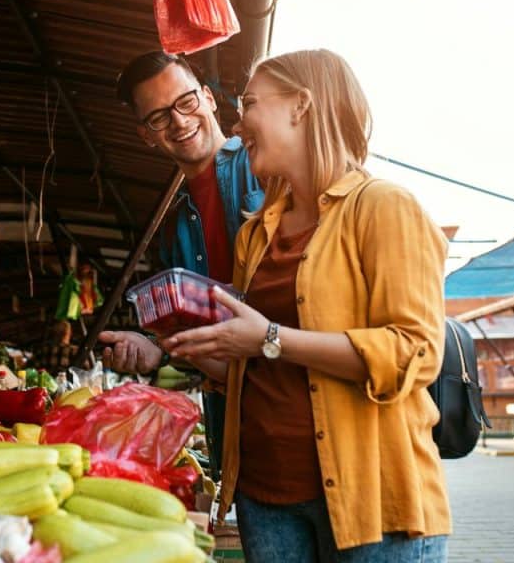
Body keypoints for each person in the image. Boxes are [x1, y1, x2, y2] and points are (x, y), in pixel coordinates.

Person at [162, 49, 450, 562]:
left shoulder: (383, 207)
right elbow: (259, 368)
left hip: (371, 501)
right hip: (265, 500)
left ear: (301, 105)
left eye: (249, 103)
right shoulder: (257, 232)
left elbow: (416, 353)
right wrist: (187, 348)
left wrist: (271, 339)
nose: (237, 121)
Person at [98, 51, 263, 376]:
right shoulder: (173, 229)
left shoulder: (263, 165)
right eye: (159, 117)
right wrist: (158, 351)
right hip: (231, 414)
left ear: (209, 98)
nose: (179, 121)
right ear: (146, 135)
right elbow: (201, 349)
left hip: (297, 397)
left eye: (186, 101)